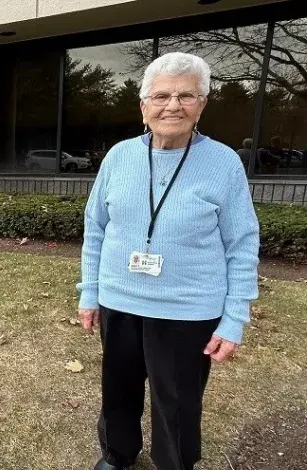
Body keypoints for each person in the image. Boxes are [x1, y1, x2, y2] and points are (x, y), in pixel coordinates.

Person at [77, 52, 260, 470]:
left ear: (202, 105)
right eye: (161, 96)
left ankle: (174, 464)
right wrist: (90, 292)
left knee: (176, 402)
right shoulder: (119, 156)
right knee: (117, 390)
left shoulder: (223, 162)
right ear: (143, 105)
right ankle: (117, 454)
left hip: (187, 309)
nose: (173, 106)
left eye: (186, 96)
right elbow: (95, 228)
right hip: (119, 301)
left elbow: (242, 243)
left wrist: (234, 317)